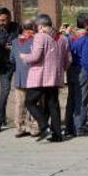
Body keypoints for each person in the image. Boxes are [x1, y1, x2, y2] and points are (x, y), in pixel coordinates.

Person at [21, 14, 71, 142]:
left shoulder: (40, 36)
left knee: (30, 102)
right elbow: (68, 60)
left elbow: (35, 57)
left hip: (40, 78)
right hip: (54, 77)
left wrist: (24, 57)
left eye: (37, 27)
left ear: (41, 26)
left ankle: (44, 125)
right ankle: (57, 134)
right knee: (53, 105)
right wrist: (60, 69)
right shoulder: (62, 39)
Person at [65, 12, 88, 137]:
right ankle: (80, 127)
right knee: (81, 100)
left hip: (71, 69)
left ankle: (69, 127)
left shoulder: (71, 37)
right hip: (81, 70)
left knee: (71, 98)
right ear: (87, 24)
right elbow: (86, 59)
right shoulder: (86, 39)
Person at [9, 19, 38, 138]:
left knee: (19, 103)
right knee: (33, 103)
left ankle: (19, 127)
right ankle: (33, 127)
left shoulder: (15, 42)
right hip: (33, 77)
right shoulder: (35, 41)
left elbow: (12, 59)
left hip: (19, 77)